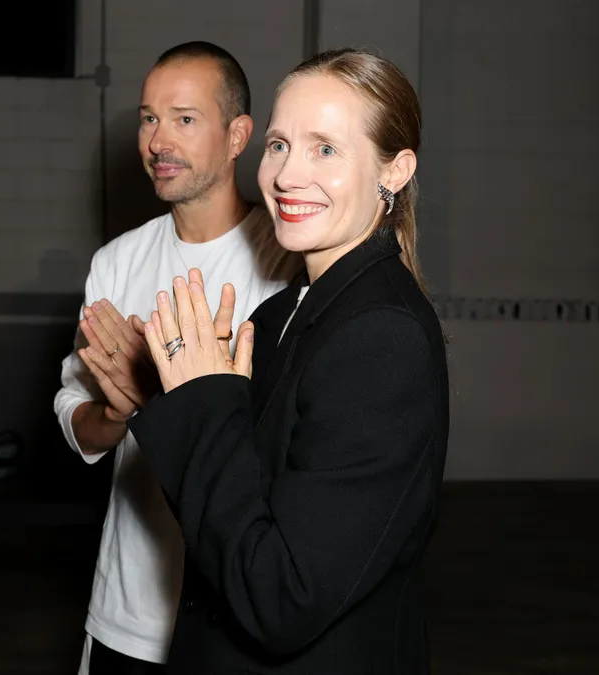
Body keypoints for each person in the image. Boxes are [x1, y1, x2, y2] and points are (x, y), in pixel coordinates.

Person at [125, 49, 450, 674]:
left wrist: (202, 401)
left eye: (324, 148)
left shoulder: (382, 336)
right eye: (278, 144)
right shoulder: (285, 313)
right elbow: (234, 511)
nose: (286, 175)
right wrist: (163, 395)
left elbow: (283, 596)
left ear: (396, 170)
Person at [54, 42, 300, 675]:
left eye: (184, 119)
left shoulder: (284, 266)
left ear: (239, 134)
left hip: (232, 615)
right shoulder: (116, 263)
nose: (158, 139)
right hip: (125, 612)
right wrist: (117, 411)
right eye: (147, 118)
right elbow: (75, 413)